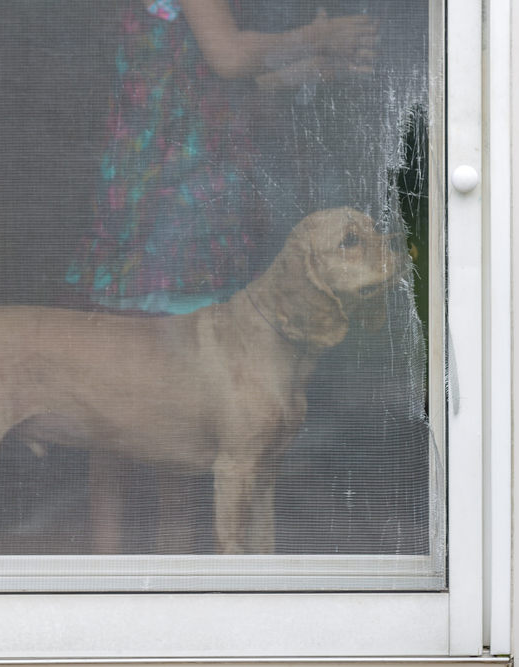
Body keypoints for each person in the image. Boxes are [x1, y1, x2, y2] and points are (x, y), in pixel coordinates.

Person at [64, 0, 379, 553]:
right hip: (168, 211)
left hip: (166, 206)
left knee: (141, 396)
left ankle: (129, 558)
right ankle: (147, 557)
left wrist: (321, 67)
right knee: (132, 392)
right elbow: (230, 57)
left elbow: (227, 89)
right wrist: (318, 35)